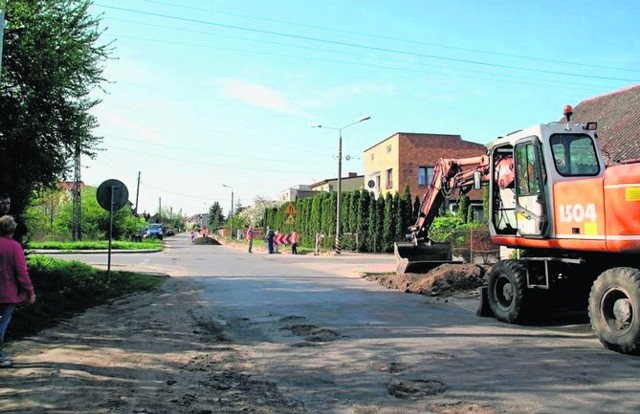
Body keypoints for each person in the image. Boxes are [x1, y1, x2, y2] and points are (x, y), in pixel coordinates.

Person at [0, 215, 36, 368]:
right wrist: (30, 292)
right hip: (7, 293)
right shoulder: (14, 247)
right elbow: (22, 272)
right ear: (13, 230)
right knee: (2, 324)